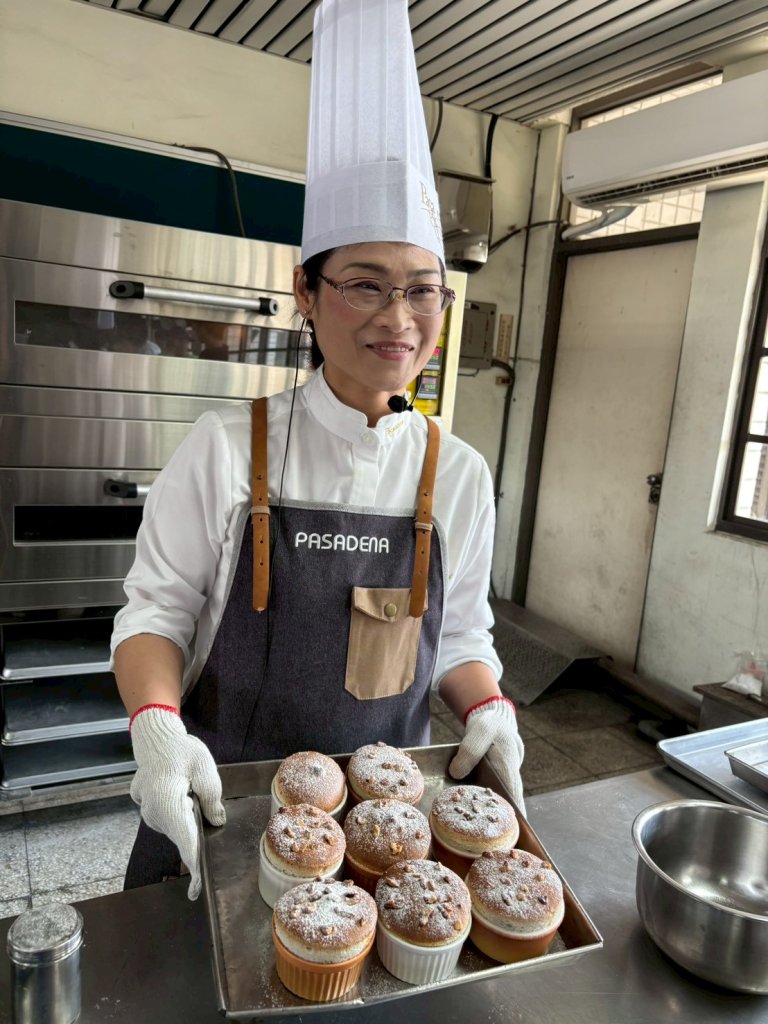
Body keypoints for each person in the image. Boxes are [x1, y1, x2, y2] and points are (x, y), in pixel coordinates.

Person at [110, 0, 524, 902]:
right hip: (216, 811)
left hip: (386, 842)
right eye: (364, 284)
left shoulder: (457, 473)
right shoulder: (225, 450)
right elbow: (155, 616)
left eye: (423, 291)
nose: (398, 318)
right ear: (305, 291)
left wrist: (487, 703)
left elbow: (459, 634)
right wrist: (155, 727)